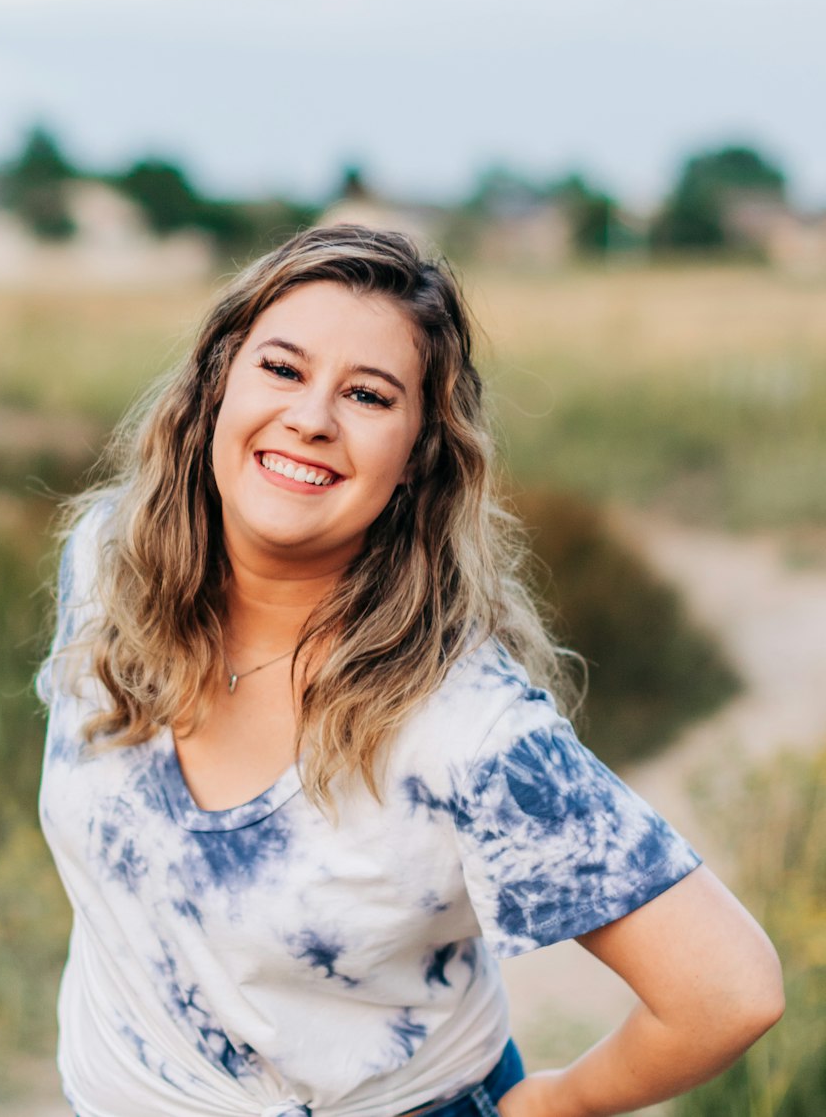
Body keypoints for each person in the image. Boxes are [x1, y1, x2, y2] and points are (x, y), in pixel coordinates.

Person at [38, 225, 783, 1117]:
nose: (312, 417)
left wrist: (554, 1105)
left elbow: (730, 989)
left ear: (416, 459)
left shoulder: (464, 728)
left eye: (367, 394)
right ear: (213, 391)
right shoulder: (109, 566)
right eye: (281, 369)